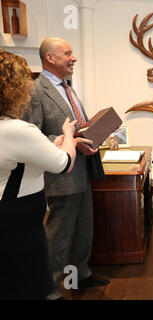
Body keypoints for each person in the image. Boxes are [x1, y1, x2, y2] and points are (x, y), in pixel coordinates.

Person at [22, 37, 109, 300]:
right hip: (61, 176)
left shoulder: (67, 88)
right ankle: (49, 288)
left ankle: (80, 273)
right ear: (50, 58)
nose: (74, 58)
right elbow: (32, 136)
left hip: (83, 170)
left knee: (84, 229)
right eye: (68, 53)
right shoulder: (36, 90)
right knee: (58, 235)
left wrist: (89, 135)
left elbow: (74, 126)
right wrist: (69, 142)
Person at [0, 49, 77, 299]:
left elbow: (23, 156)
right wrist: (69, 137)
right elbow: (63, 163)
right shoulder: (18, 129)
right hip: (18, 219)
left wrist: (54, 143)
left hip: (8, 213)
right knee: (28, 283)